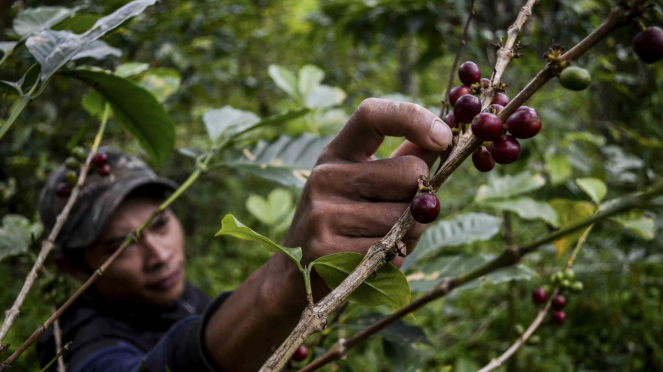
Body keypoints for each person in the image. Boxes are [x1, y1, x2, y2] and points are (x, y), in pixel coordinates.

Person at [36, 98, 453, 372]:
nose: (159, 255)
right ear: (71, 267)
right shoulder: (74, 343)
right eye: (118, 247)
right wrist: (288, 278)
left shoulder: (181, 298)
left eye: (159, 224)